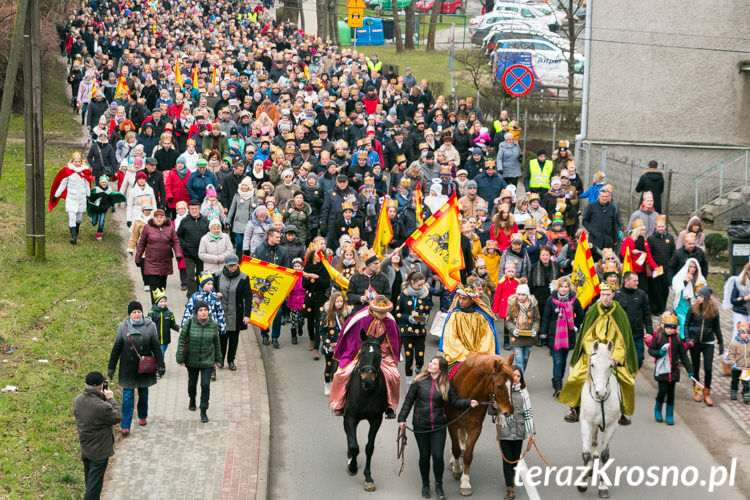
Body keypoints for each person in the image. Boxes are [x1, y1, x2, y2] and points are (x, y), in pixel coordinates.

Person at [397, 356, 479, 500]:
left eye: (434, 363)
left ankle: (439, 485)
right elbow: (408, 401)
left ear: (440, 369)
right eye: (430, 362)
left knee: (438, 456)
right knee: (424, 456)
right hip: (420, 426)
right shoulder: (418, 382)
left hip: (438, 426)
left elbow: (455, 402)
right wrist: (402, 418)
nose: (430, 364)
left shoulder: (447, 384)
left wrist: (468, 402)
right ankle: (425, 485)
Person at [558, 284, 638, 424]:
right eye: (602, 294)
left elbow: (622, 340)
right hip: (593, 353)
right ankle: (573, 408)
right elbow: (586, 336)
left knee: (628, 380)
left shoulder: (620, 313)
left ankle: (624, 412)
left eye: (608, 294)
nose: (605, 298)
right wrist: (593, 352)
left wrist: (616, 357)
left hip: (611, 355)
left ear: (613, 295)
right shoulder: (593, 311)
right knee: (576, 376)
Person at [329, 295, 401, 418]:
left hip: (382, 354)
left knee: (394, 375)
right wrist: (365, 352)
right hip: (358, 352)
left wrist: (379, 353)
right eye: (381, 312)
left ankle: (390, 406)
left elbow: (392, 344)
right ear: (374, 309)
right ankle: (339, 404)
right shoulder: (360, 319)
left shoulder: (390, 321)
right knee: (342, 374)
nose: (384, 315)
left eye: (385, 312)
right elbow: (353, 341)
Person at [107, 301, 165, 435]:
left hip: (144, 368)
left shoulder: (150, 326)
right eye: (134, 312)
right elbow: (116, 348)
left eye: (139, 312)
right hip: (128, 368)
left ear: (142, 313)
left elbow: (156, 346)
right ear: (129, 314)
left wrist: (161, 364)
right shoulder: (123, 327)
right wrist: (111, 367)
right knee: (128, 397)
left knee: (143, 394)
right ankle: (125, 425)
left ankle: (142, 415)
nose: (137, 315)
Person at [73, 370, 122, 500]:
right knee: (94, 487)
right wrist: (110, 398)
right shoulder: (102, 407)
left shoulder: (77, 400)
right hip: (99, 452)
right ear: (101, 386)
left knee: (90, 483)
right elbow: (117, 416)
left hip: (85, 447)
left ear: (85, 383)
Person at [176, 300, 222, 423]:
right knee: (192, 383)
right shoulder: (189, 323)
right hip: (192, 360)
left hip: (208, 360)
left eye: (205, 310)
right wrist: (180, 357)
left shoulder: (213, 325)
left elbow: (217, 342)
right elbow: (181, 340)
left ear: (208, 311)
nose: (203, 312)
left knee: (205, 385)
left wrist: (218, 358)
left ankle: (203, 410)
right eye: (200, 310)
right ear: (196, 312)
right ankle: (192, 398)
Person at [540, 277, 584, 397]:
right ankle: (558, 387)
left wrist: (575, 325)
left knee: (564, 361)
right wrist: (543, 334)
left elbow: (581, 314)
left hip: (568, 334)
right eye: (561, 287)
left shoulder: (574, 300)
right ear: (557, 287)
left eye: (566, 287)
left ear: (569, 288)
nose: (563, 289)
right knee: (557, 360)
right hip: (554, 336)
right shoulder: (551, 300)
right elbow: (546, 317)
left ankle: (557, 378)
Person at [498, 365, 536, 500]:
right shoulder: (501, 391)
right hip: (504, 431)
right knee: (507, 460)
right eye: (513, 375)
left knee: (515, 460)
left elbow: (528, 413)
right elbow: (491, 413)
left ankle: (511, 478)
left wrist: (531, 433)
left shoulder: (524, 393)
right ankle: (510, 489)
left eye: (518, 376)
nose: (515, 378)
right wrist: (494, 406)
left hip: (519, 431)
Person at [649, 312, 693, 425]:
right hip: (662, 370)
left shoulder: (678, 339)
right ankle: (658, 409)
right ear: (664, 327)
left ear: (675, 328)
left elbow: (683, 355)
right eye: (667, 327)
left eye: (672, 328)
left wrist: (690, 370)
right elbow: (651, 350)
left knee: (671, 394)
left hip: (673, 371)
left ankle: (669, 414)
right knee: (662, 391)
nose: (669, 330)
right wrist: (659, 353)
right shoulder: (659, 337)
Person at [439, 284, 500, 364]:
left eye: (464, 299)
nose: (461, 301)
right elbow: (451, 338)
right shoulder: (454, 315)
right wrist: (467, 355)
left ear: (472, 300)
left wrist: (477, 356)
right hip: (458, 357)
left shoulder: (482, 317)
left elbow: (487, 339)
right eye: (460, 298)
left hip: (479, 359)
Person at [213, 254, 252, 371]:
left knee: (234, 339)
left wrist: (247, 315)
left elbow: (248, 297)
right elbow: (211, 290)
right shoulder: (217, 275)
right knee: (222, 338)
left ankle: (231, 360)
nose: (232, 268)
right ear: (226, 265)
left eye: (234, 265)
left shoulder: (244, 278)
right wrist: (215, 295)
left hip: (236, 314)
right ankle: (220, 359)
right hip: (221, 313)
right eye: (230, 266)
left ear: (238, 265)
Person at [253, 228, 291, 347]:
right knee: (264, 313)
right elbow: (254, 269)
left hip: (277, 289)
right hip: (263, 288)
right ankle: (264, 335)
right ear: (270, 238)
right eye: (277, 237)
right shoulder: (259, 250)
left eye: (280, 237)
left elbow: (287, 269)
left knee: (278, 313)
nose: (280, 239)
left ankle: (275, 337)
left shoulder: (283, 251)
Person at [685, 286, 722, 406]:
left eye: (701, 296)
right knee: (695, 368)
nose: (698, 298)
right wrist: (687, 339)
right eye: (698, 295)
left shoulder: (714, 311)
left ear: (706, 298)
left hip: (708, 343)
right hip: (694, 342)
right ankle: (697, 391)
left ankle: (707, 392)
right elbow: (686, 325)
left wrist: (720, 343)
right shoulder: (692, 309)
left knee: (708, 368)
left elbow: (717, 328)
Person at [135, 208, 183, 300]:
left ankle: (161, 305)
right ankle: (155, 307)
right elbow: (141, 244)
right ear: (153, 218)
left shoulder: (170, 228)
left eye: (161, 217)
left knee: (162, 286)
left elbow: (176, 242)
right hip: (151, 261)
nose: (159, 219)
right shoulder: (147, 228)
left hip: (165, 261)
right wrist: (138, 258)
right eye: (157, 217)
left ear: (164, 218)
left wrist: (178, 254)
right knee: (154, 287)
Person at [394, 271, 431, 384]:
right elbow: (397, 314)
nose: (421, 287)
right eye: (419, 285)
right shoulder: (403, 295)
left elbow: (427, 311)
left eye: (423, 284)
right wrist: (409, 318)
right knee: (409, 356)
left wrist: (423, 319)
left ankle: (418, 369)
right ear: (412, 282)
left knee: (420, 357)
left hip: (420, 331)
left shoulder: (425, 295)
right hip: (406, 331)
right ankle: (409, 379)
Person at [50, 151, 93, 245]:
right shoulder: (68, 172)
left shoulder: (84, 172)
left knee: (79, 218)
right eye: (75, 161)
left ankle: (77, 227)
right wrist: (56, 195)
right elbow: (62, 185)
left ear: (81, 162)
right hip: (71, 198)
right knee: (72, 216)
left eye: (79, 162)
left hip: (81, 198)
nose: (77, 163)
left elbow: (87, 185)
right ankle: (73, 237)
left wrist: (88, 196)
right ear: (72, 161)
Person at [615, 272, 653, 368]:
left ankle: (631, 378)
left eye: (638, 280)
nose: (637, 283)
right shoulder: (617, 296)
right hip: (621, 336)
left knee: (638, 360)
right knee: (620, 362)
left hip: (637, 336)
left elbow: (647, 314)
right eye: (635, 281)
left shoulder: (641, 294)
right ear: (626, 281)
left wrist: (649, 331)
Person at [319, 291, 351, 396]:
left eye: (341, 301)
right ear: (333, 302)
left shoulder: (345, 315)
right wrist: (326, 342)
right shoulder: (326, 315)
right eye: (337, 301)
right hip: (330, 346)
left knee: (341, 367)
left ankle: (338, 385)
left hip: (341, 346)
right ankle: (327, 384)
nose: (339, 303)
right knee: (328, 365)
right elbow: (321, 331)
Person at [302, 239, 332, 353]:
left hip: (321, 297)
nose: (318, 256)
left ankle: (316, 348)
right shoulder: (308, 266)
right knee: (309, 320)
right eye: (316, 254)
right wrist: (308, 279)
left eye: (320, 254)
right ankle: (311, 340)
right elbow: (304, 286)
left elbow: (326, 284)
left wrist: (317, 278)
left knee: (318, 321)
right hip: (310, 297)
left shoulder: (325, 267)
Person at [177, 199, 210, 296]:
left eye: (196, 209)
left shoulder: (205, 221)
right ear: (189, 210)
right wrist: (185, 245)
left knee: (200, 275)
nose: (194, 211)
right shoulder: (184, 221)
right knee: (190, 276)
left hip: (202, 254)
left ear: (200, 209)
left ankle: (200, 294)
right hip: (188, 253)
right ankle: (191, 295)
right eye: (192, 209)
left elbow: (209, 235)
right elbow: (179, 236)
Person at [505, 282, 540, 373]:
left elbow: (536, 320)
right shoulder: (512, 304)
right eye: (519, 294)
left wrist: (535, 330)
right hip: (516, 338)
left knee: (524, 361)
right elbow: (508, 321)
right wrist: (513, 330)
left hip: (529, 338)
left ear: (527, 295)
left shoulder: (533, 305)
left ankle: (518, 378)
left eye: (523, 295)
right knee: (519, 361)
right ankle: (520, 384)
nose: (520, 297)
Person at [671, 257, 706, 340]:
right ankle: (683, 341)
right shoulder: (680, 277)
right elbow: (677, 289)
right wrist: (686, 281)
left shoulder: (699, 279)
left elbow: (703, 291)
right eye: (690, 267)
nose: (692, 269)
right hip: (682, 304)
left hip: (693, 304)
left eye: (694, 267)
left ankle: (691, 339)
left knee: (692, 323)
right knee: (683, 322)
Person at [647, 215, 675, 315]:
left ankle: (662, 308)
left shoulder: (670, 238)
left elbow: (673, 253)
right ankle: (655, 309)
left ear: (665, 226)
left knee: (664, 290)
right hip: (656, 268)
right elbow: (649, 254)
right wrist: (653, 266)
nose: (660, 228)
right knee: (655, 289)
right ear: (655, 227)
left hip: (667, 269)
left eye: (662, 226)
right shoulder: (651, 238)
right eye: (659, 227)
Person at [147, 288, 179, 357]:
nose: (163, 303)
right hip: (154, 339)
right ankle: (157, 366)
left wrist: (179, 329)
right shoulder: (151, 313)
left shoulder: (169, 313)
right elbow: (147, 325)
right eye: (161, 301)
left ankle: (159, 366)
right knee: (155, 355)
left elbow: (172, 324)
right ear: (156, 302)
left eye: (165, 301)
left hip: (165, 340)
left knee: (161, 354)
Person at [727, 321, 750, 403]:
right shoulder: (734, 344)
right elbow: (730, 355)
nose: (746, 335)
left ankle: (746, 394)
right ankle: (734, 391)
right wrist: (733, 363)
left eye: (747, 333)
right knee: (735, 380)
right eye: (744, 333)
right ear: (739, 333)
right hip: (736, 367)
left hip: (746, 367)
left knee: (746, 382)